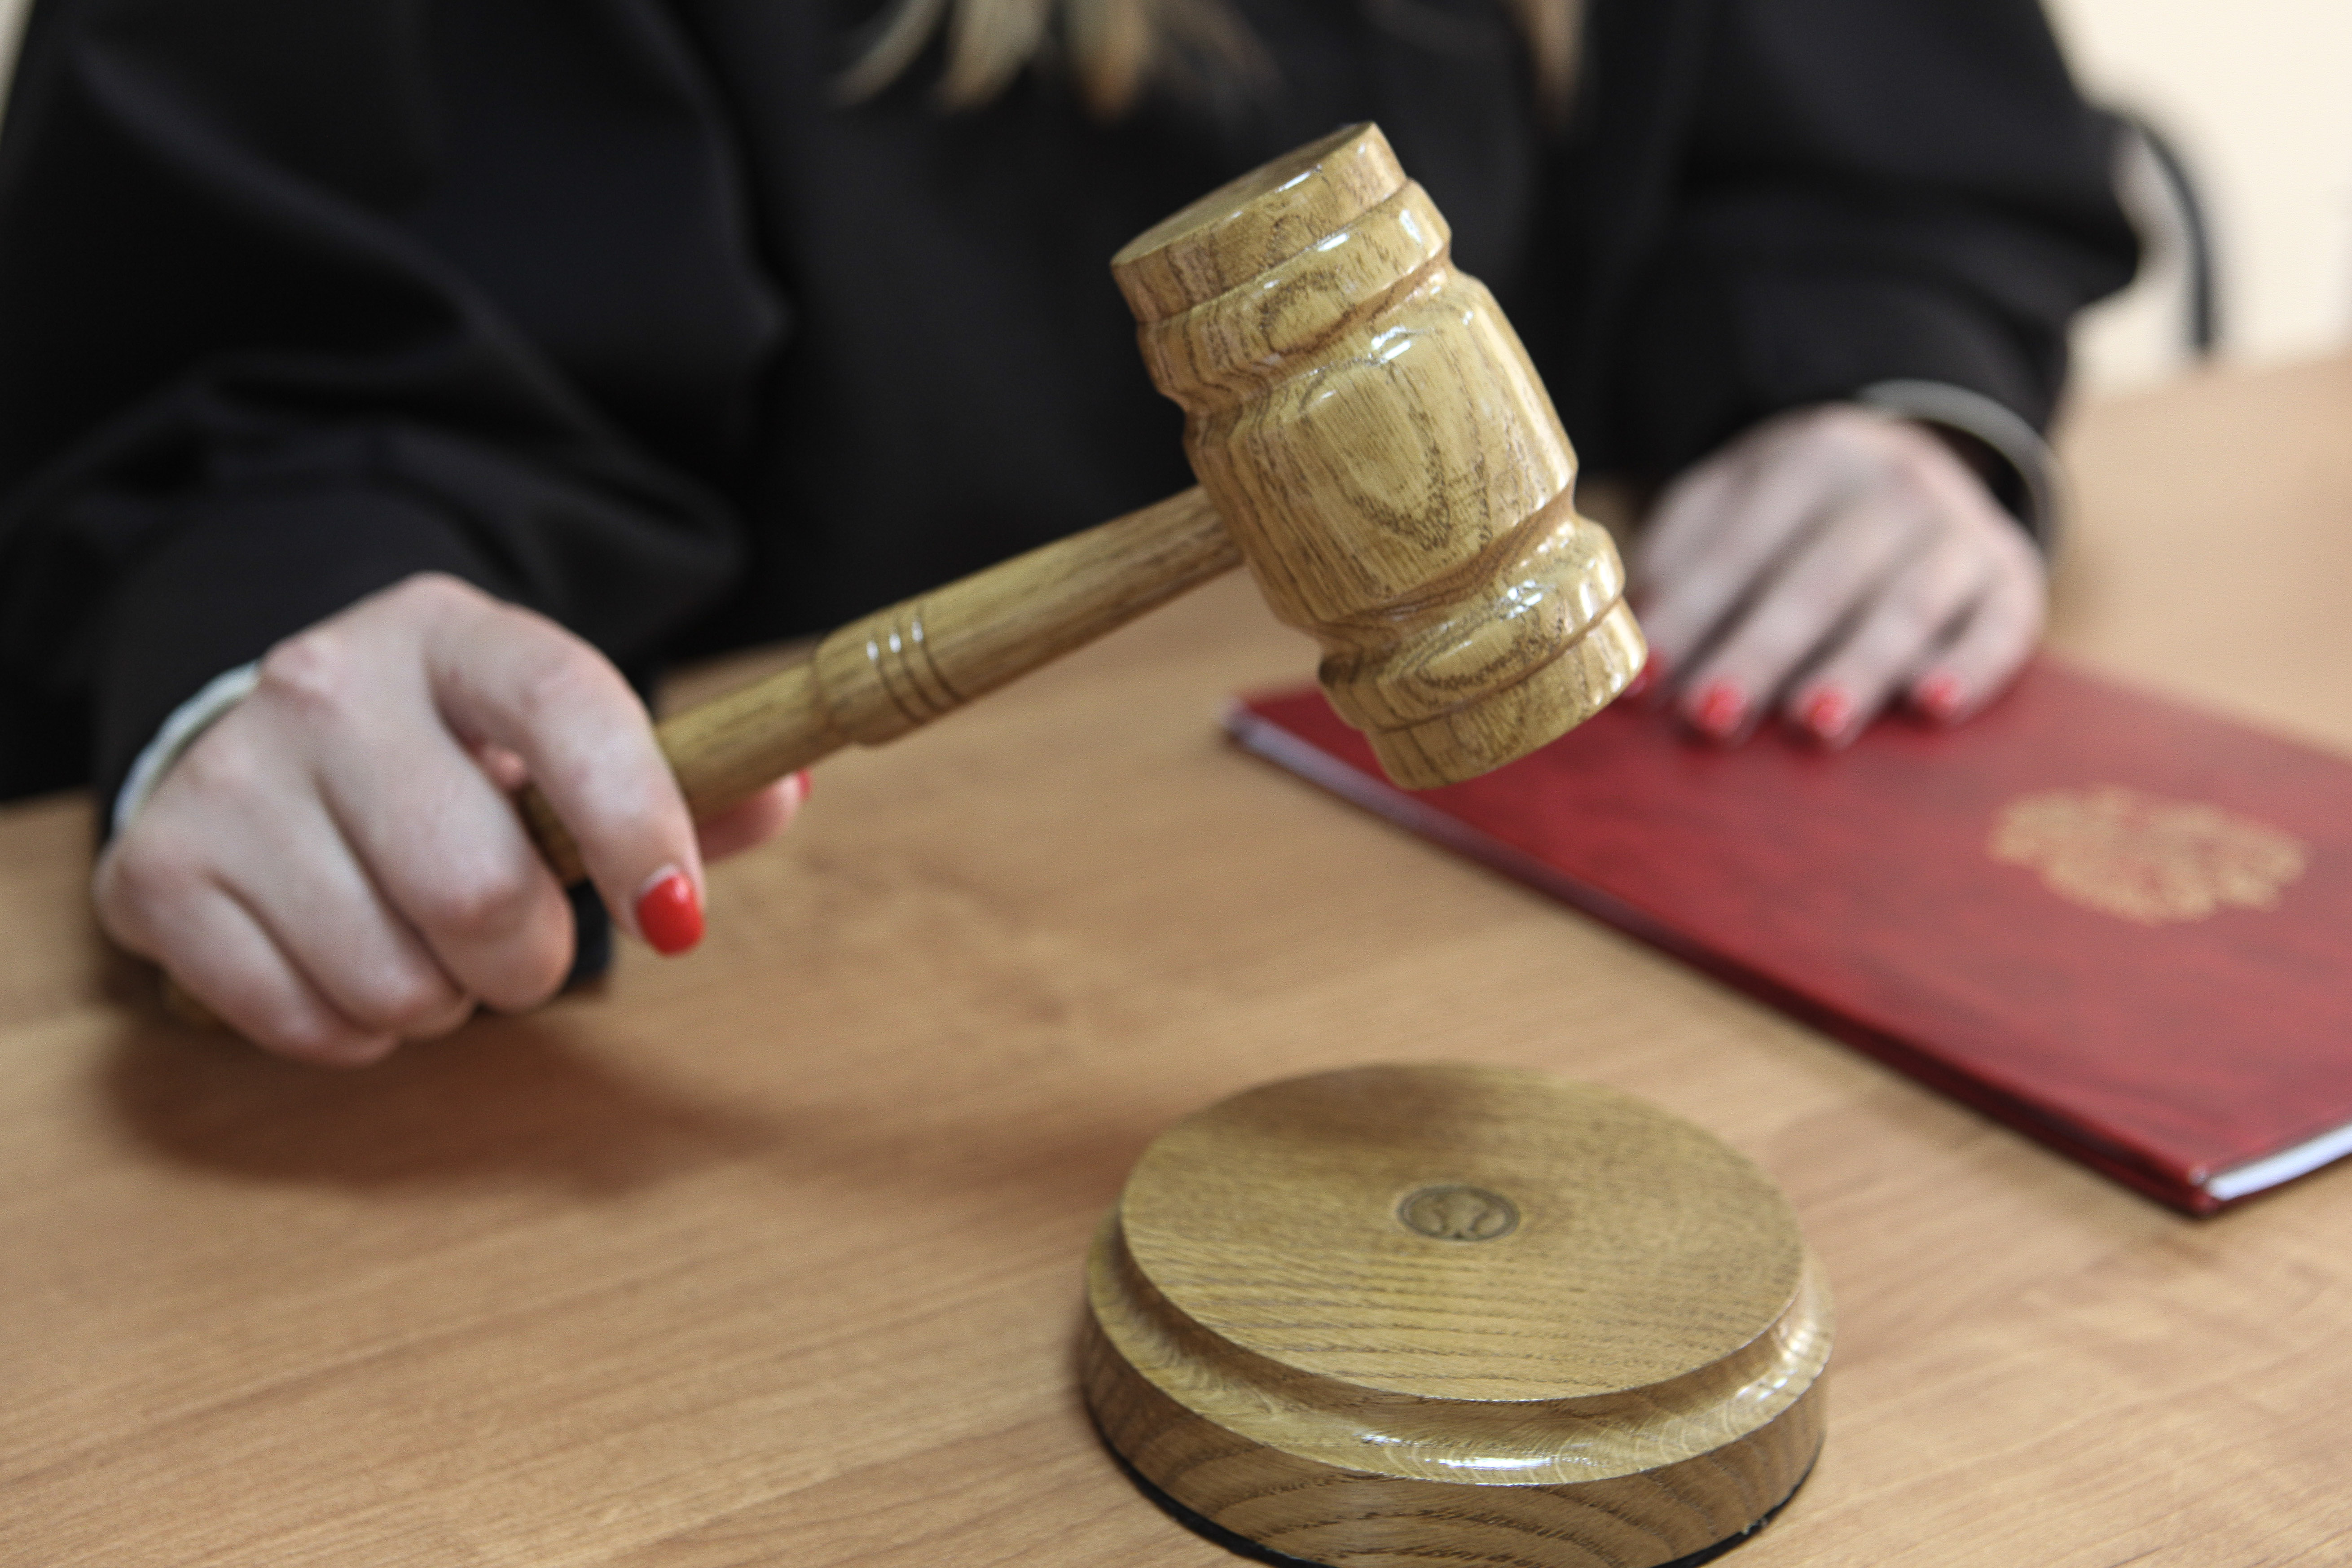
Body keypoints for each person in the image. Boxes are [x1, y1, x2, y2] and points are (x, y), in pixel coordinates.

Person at [0, 0, 2138, 1064]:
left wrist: (1885, 395)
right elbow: (268, 372)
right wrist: (290, 647)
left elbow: (1868, 155)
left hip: (1530, 941)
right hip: (790, 1000)